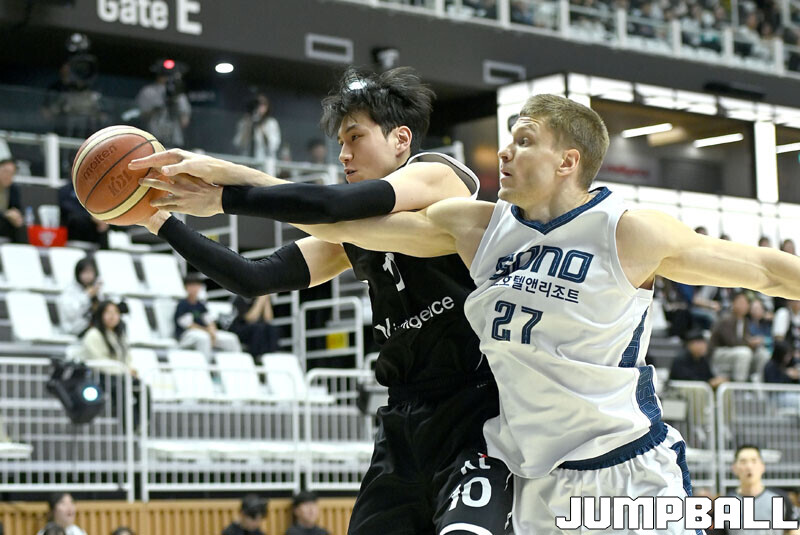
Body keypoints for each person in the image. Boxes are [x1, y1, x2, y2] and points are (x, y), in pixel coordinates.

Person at [149, 93, 800, 533]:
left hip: (627, 466)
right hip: (536, 478)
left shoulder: (628, 230)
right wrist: (225, 192)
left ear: (568, 161)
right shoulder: (478, 226)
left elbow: (767, 271)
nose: (503, 152)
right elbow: (351, 226)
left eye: (523, 141)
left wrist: (231, 189)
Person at [131, 66, 513, 535]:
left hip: (474, 410)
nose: (344, 153)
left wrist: (230, 186)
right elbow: (254, 277)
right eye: (340, 143)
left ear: (400, 139)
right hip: (403, 419)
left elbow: (331, 206)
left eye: (355, 137)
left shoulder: (440, 175)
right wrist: (159, 222)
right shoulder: (352, 234)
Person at [728, 445, 800, 534]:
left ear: (762, 466)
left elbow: (794, 531)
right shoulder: (726, 504)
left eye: (754, 461)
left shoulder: (780, 499)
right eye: (743, 462)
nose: (749, 466)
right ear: (734, 468)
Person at [174, 273, 241, 359]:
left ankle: (235, 364)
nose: (194, 288)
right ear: (186, 287)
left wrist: (212, 331)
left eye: (197, 285)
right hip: (187, 335)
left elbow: (209, 321)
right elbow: (188, 325)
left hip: (204, 332)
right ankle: (206, 364)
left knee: (231, 339)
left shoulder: (201, 305)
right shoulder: (182, 305)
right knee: (204, 338)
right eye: (192, 285)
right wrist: (207, 332)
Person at [709, 292, 767, 382]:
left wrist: (753, 343)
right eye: (741, 302)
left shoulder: (745, 321)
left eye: (746, 303)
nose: (743, 306)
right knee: (744, 353)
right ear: (733, 303)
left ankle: (758, 383)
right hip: (719, 352)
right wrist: (749, 343)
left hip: (736, 352)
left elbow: (744, 340)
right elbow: (730, 342)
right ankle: (739, 386)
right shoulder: (726, 319)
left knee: (762, 354)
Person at [136, 62, 191, 148]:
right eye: (165, 75)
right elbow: (141, 116)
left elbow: (184, 122)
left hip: (174, 141)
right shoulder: (149, 92)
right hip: (153, 139)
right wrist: (157, 108)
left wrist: (174, 103)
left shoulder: (180, 96)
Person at [224, 295, 280, 362]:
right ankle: (255, 358)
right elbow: (250, 319)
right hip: (238, 329)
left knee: (272, 328)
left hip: (255, 329)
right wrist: (261, 300)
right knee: (258, 328)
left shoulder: (261, 298)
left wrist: (266, 300)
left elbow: (268, 319)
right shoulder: (240, 297)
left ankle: (272, 356)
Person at [58, 256, 102, 336]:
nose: (88, 276)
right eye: (85, 272)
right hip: (75, 329)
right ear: (78, 273)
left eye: (90, 272)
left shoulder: (99, 289)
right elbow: (70, 313)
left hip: (94, 329)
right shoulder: (69, 290)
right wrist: (87, 296)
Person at [58, 181, 110, 248]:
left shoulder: (93, 190)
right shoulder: (65, 190)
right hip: (73, 228)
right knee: (77, 219)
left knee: (104, 223)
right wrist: (91, 217)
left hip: (95, 230)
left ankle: (104, 251)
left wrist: (102, 218)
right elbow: (68, 208)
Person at [233, 94, 281, 161]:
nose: (259, 107)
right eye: (257, 104)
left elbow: (273, 146)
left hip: (264, 161)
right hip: (247, 160)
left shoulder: (271, 123)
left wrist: (261, 126)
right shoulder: (245, 122)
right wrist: (248, 125)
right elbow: (238, 144)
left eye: (263, 104)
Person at [0, 159, 26, 243]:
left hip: (6, 228)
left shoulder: (13, 189)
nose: (8, 176)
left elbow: (17, 207)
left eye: (12, 173)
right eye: (5, 171)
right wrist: (5, 214)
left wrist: (17, 216)